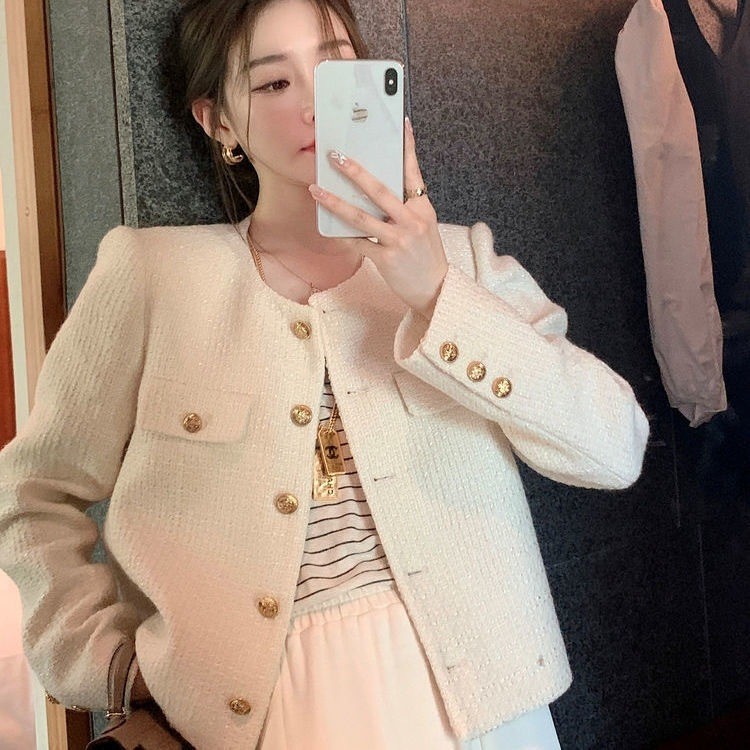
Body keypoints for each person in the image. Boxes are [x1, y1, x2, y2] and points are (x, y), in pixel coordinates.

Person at [0, 0, 650, 748]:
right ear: (219, 122)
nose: (313, 104)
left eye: (335, 65)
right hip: (268, 717)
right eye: (273, 83)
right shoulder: (154, 278)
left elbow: (615, 448)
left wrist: (438, 295)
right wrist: (111, 664)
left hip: (487, 704)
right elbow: (31, 495)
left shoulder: (461, 259)